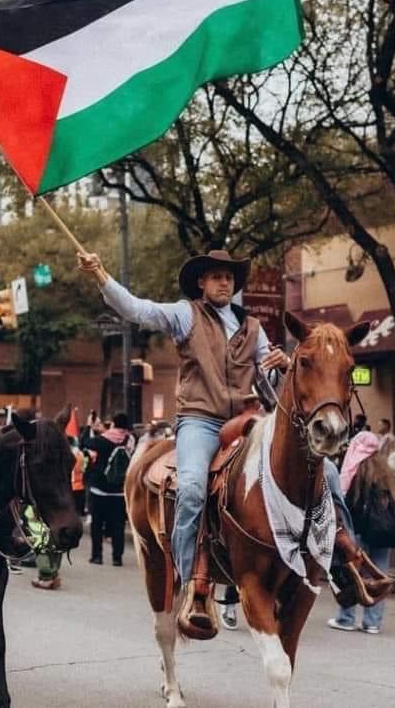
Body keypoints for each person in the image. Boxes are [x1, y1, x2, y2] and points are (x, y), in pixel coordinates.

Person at [78, 248, 298, 639]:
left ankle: (334, 561)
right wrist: (101, 275)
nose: (224, 282)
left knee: (304, 475)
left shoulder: (254, 328)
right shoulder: (186, 314)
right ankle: (189, 584)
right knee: (193, 487)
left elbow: (273, 388)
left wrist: (285, 367)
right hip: (200, 420)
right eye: (216, 276)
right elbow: (137, 310)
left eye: (229, 277)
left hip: (247, 419)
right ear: (201, 282)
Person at [327, 431, 395, 634]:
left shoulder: (354, 468)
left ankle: (346, 618)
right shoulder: (385, 471)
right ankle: (373, 622)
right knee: (379, 576)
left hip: (359, 531)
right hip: (383, 533)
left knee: (352, 574)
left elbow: (345, 500)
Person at [85, 411, 132, 566]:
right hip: (119, 491)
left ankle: (97, 556)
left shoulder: (102, 440)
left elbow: (84, 442)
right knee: (118, 525)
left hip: (99, 489)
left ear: (113, 423)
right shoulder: (130, 440)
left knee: (97, 524)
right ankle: (117, 558)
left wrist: (90, 427)